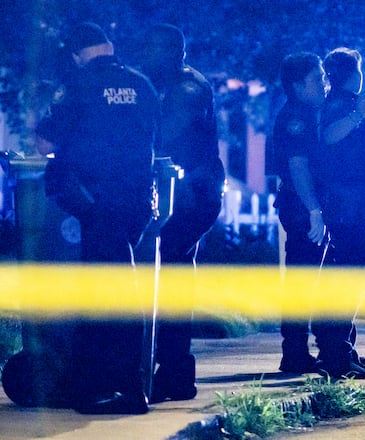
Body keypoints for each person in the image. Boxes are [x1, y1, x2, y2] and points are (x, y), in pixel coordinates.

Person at [35, 22, 156, 414]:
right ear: (108, 46)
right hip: (136, 203)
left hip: (96, 203)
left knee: (107, 295)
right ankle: (110, 385)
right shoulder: (142, 84)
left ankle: (117, 389)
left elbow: (46, 142)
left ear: (76, 53)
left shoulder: (77, 86)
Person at [139, 23, 225, 403]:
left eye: (154, 49)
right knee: (171, 276)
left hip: (191, 197)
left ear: (175, 52)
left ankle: (174, 372)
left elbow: (165, 136)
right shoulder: (173, 84)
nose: (147, 56)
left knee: (171, 278)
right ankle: (171, 370)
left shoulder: (187, 89)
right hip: (188, 195)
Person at [311, 47, 365, 379]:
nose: (362, 76)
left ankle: (342, 349)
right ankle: (336, 355)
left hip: (354, 204)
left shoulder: (347, 104)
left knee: (348, 276)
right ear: (350, 74)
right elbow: (328, 137)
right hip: (345, 206)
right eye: (359, 70)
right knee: (349, 277)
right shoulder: (339, 105)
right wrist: (357, 115)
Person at [270, 52, 328, 374]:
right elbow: (298, 165)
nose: (323, 83)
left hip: (303, 206)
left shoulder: (307, 113)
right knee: (301, 283)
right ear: (297, 85)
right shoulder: (295, 117)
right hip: (301, 207)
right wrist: (314, 211)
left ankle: (300, 350)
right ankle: (293, 353)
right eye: (316, 78)